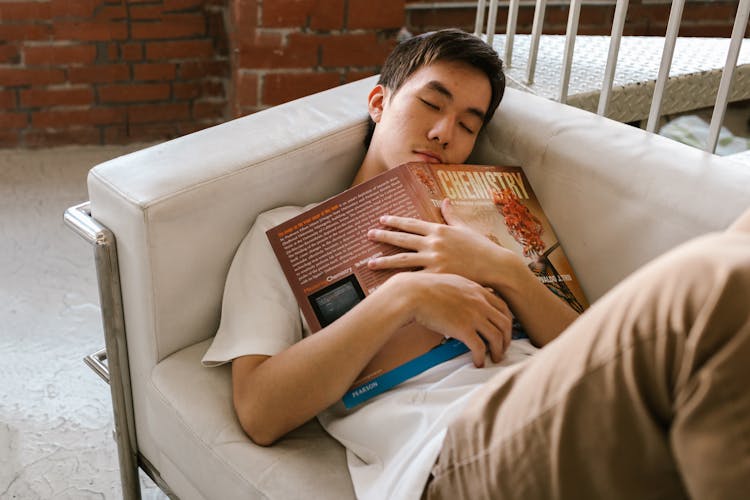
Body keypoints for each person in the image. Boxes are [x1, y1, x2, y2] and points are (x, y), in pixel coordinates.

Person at [202, 28, 750, 499]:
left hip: (553, 397)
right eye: (431, 103)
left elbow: (579, 347)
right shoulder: (288, 230)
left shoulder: (482, 214)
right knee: (722, 281)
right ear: (378, 103)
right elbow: (259, 410)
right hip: (452, 447)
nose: (445, 132)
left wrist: (504, 269)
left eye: (468, 124)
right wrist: (405, 298)